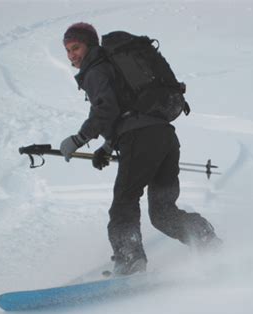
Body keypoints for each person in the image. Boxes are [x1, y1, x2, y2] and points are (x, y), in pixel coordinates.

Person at [59, 23, 222, 276]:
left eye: (76, 47)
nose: (72, 55)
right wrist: (108, 145)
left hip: (141, 139)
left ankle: (130, 260)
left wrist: (79, 138)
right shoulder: (114, 67)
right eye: (68, 50)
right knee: (162, 211)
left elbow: (106, 110)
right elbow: (127, 108)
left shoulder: (96, 69)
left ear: (89, 45)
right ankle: (204, 238)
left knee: (124, 203)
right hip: (164, 137)